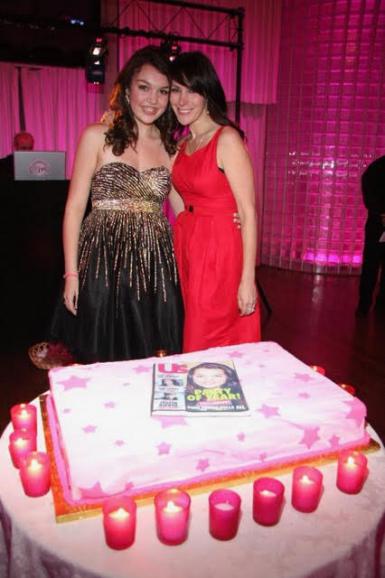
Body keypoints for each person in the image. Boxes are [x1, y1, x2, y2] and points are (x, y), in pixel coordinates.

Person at [47, 45, 184, 363]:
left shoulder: (171, 148)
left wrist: (226, 219)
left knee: (151, 357)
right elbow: (74, 209)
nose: (153, 99)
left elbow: (184, 210)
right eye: (144, 87)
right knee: (98, 356)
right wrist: (71, 274)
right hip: (101, 262)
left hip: (154, 265)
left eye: (162, 91)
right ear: (127, 89)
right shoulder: (97, 136)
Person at [168, 51, 261, 352]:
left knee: (210, 333)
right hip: (190, 245)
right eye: (175, 90)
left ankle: (217, 392)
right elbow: (178, 200)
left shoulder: (227, 139)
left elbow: (247, 212)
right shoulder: (182, 145)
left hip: (220, 248)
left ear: (207, 93)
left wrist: (248, 280)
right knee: (195, 323)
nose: (182, 100)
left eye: (192, 90)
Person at [356, 155, 385, 316]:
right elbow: (369, 191)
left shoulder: (375, 168)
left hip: (377, 221)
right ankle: (365, 305)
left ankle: (373, 306)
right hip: (378, 224)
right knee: (371, 266)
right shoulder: (377, 169)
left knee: (371, 266)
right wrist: (380, 212)